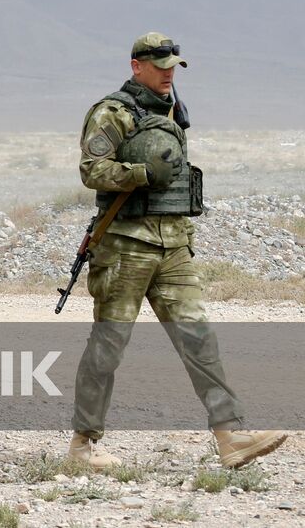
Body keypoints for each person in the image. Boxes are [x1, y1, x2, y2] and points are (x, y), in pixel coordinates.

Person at [67, 32, 286, 469]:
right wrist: (143, 173)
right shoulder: (114, 112)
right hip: (125, 246)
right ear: (137, 65)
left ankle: (230, 437)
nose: (169, 72)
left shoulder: (170, 111)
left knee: (198, 339)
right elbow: (92, 170)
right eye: (160, 64)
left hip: (172, 246)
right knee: (108, 346)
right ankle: (82, 447)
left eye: (173, 65)